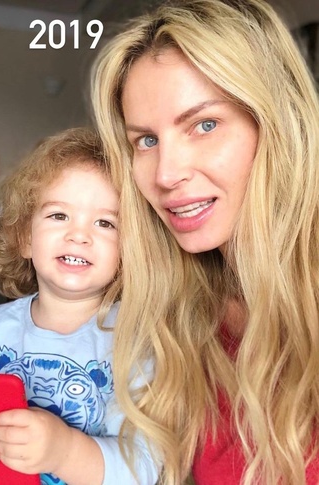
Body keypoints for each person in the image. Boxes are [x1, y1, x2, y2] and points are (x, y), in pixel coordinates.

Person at [90, 0, 319, 484]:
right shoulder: (178, 318)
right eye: (146, 141)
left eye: (205, 125)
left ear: (277, 125)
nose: (166, 175)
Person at [0, 127, 160, 485]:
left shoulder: (137, 341)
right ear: (24, 237)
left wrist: (64, 452)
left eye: (105, 223)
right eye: (59, 215)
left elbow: (146, 466)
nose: (79, 235)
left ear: (129, 252)